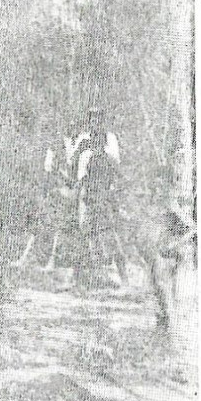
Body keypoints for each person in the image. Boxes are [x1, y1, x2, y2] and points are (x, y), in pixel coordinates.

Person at [70, 105, 129, 287]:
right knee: (92, 237)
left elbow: (121, 177)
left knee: (104, 237)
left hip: (98, 200)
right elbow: (80, 178)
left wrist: (112, 192)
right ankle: (98, 277)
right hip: (90, 200)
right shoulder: (86, 152)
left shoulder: (106, 155)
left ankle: (121, 277)